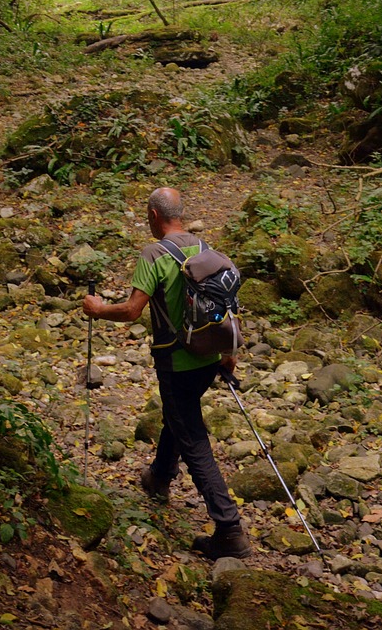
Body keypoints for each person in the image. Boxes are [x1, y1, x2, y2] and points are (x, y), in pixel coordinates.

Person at [82, 186, 251, 561]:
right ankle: (159, 476)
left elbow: (130, 312)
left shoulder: (154, 254)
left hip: (176, 363)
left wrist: (96, 308)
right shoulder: (203, 247)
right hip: (209, 358)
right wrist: (228, 352)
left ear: (154, 216)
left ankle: (229, 529)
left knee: (193, 439)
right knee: (180, 413)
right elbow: (221, 303)